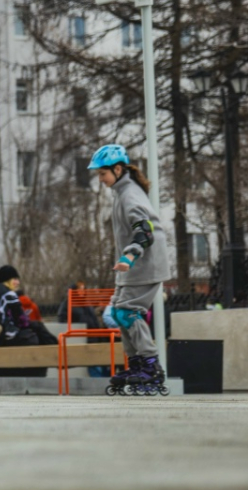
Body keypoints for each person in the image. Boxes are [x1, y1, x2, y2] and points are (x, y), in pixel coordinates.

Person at [88, 144, 171, 394]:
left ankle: (150, 365)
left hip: (145, 264)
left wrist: (129, 256)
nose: (100, 179)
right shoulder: (121, 193)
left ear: (117, 169)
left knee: (127, 312)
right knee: (118, 313)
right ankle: (136, 364)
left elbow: (145, 229)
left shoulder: (130, 194)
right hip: (131, 268)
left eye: (102, 173)